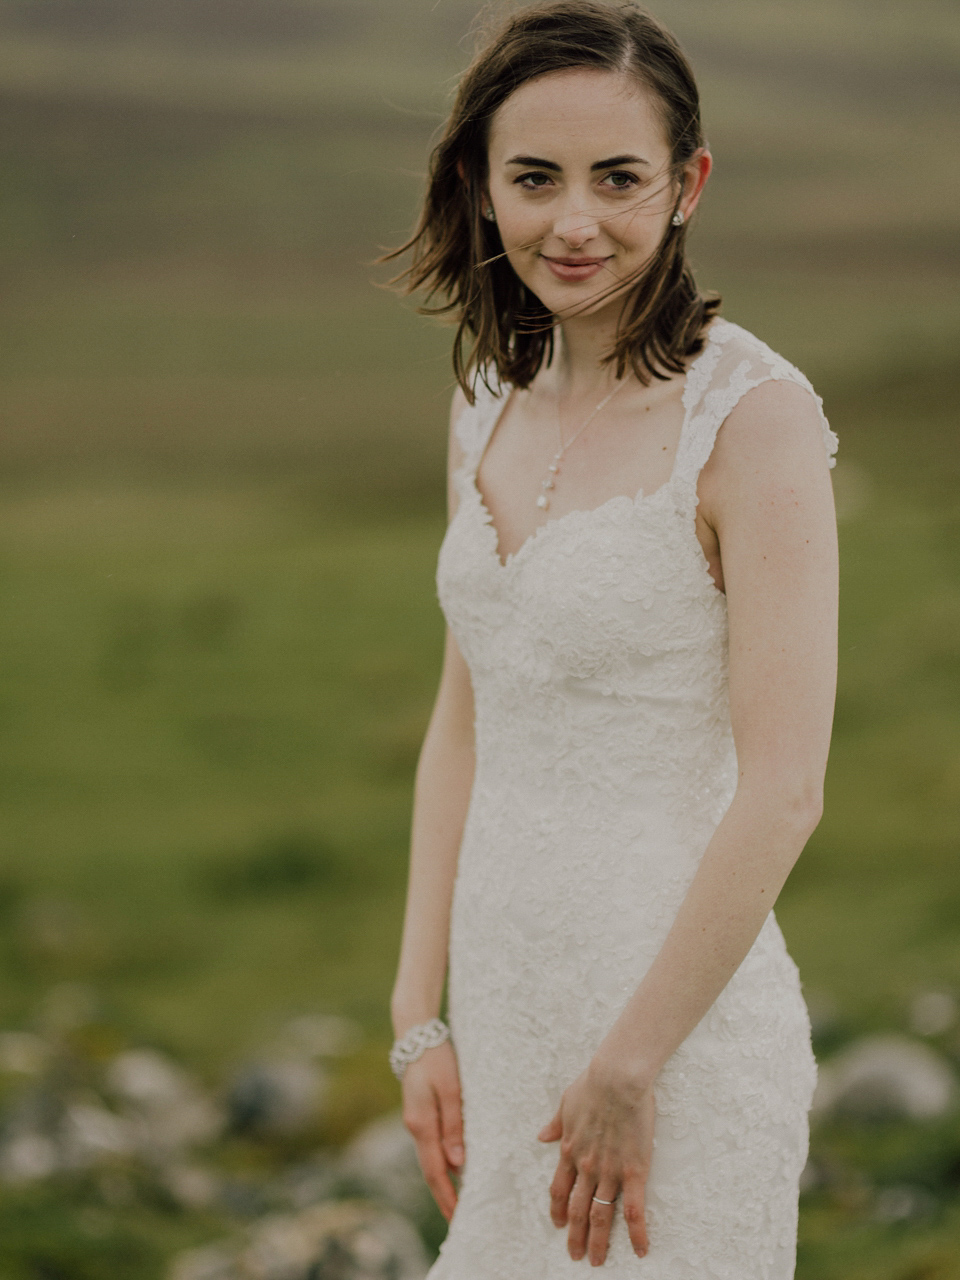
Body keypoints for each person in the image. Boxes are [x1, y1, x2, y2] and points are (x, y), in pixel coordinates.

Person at [386, 2, 838, 1276]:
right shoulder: (483, 401)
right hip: (507, 1009)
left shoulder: (753, 419)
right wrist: (418, 1012)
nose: (571, 223)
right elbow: (465, 719)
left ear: (687, 185)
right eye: (534, 178)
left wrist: (633, 1064)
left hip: (677, 1041)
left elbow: (787, 787)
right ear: (482, 183)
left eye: (618, 178)